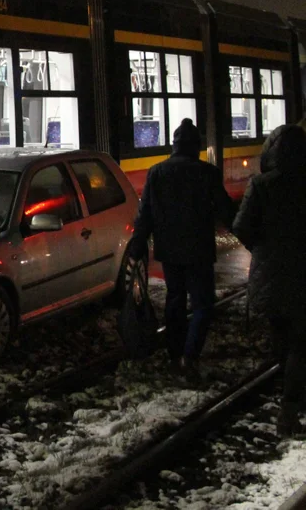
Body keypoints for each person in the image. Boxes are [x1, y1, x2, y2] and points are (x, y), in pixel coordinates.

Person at [130, 118, 235, 382]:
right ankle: (190, 355)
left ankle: (174, 353)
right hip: (199, 250)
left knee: (175, 299)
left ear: (174, 146)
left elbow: (146, 214)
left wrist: (138, 243)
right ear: (196, 147)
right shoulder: (207, 173)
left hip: (170, 251)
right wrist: (249, 234)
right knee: (202, 304)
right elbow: (226, 210)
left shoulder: (156, 172)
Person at [232, 124, 306, 437]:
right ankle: (288, 415)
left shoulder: (260, 185)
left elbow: (241, 227)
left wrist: (263, 251)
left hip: (271, 279)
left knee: (283, 339)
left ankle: (289, 402)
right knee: (301, 345)